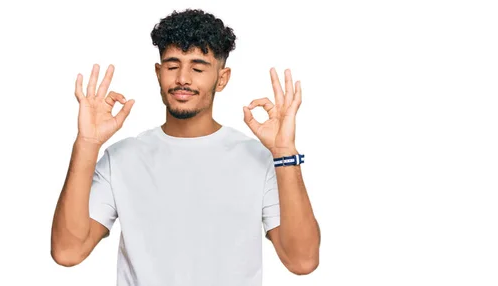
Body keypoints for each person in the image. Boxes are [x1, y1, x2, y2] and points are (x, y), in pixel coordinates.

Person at [50, 8, 320, 286]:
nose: (183, 79)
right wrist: (87, 143)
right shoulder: (121, 158)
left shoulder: (259, 160)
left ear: (222, 78)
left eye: (198, 68)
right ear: (158, 72)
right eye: (172, 65)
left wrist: (285, 153)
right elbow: (68, 251)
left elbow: (302, 260)